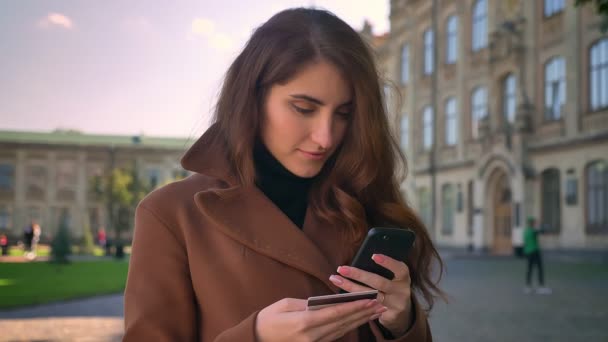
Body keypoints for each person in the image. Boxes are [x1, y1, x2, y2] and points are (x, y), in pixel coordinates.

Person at [124, 8, 444, 341]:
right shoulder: (171, 214)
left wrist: (402, 321)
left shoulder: (360, 196)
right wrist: (255, 337)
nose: (326, 137)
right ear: (253, 97)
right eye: (304, 108)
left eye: (344, 114)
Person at [523, 216, 552, 295]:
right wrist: (545, 228)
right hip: (535, 252)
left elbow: (525, 243)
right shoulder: (532, 231)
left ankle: (527, 287)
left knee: (529, 269)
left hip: (528, 252)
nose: (535, 223)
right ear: (532, 223)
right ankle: (541, 287)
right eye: (534, 222)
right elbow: (540, 231)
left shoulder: (525, 231)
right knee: (540, 268)